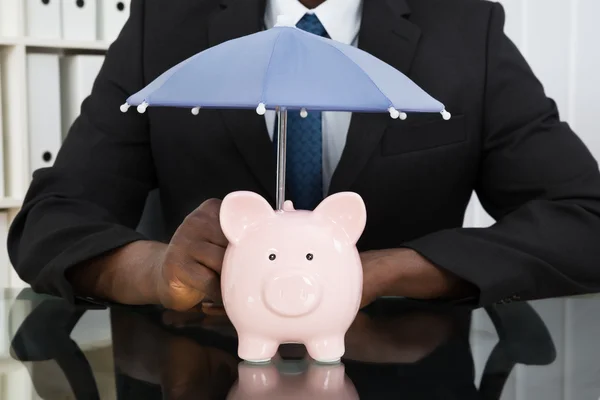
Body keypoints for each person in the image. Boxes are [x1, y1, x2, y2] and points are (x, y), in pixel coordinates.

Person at [8, 0, 600, 311]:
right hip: (203, 369)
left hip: (411, 374)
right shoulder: (163, 20)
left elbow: (586, 220)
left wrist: (397, 270)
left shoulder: (466, 28)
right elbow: (51, 220)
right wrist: (156, 271)